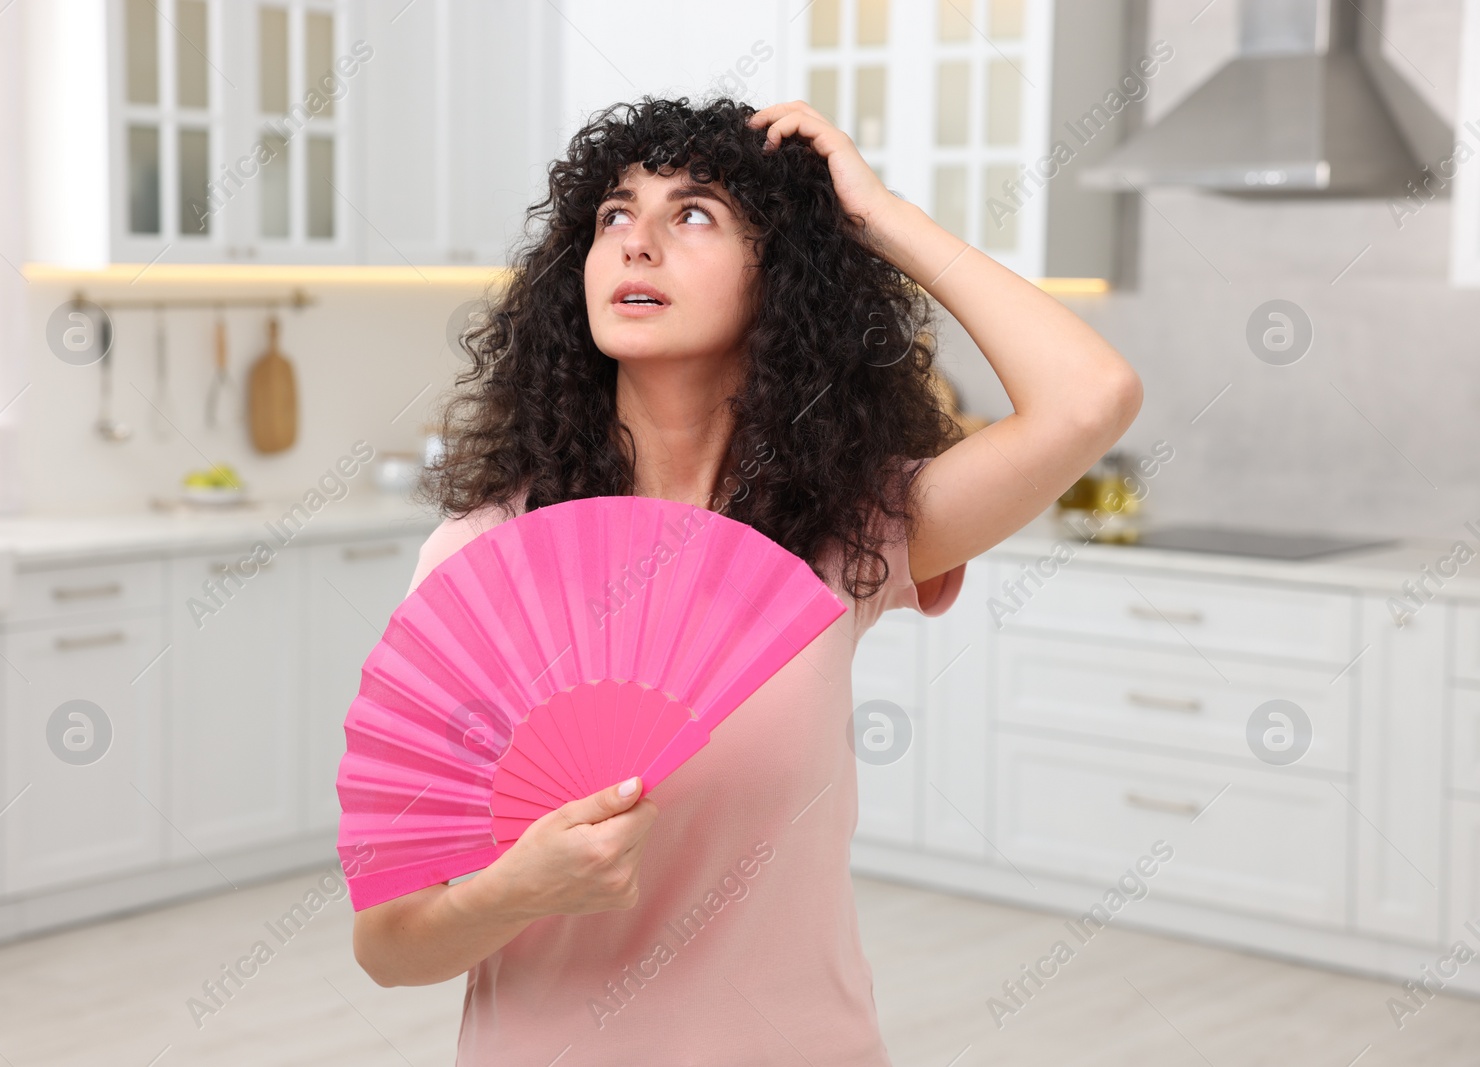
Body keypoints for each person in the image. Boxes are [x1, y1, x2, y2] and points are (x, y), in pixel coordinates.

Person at [352, 96, 1141, 1064]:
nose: (636, 242)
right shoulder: (482, 557)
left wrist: (876, 214)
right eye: (613, 215)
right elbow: (387, 945)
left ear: (782, 276)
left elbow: (1092, 397)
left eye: (692, 214)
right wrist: (517, 888)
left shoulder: (847, 531)